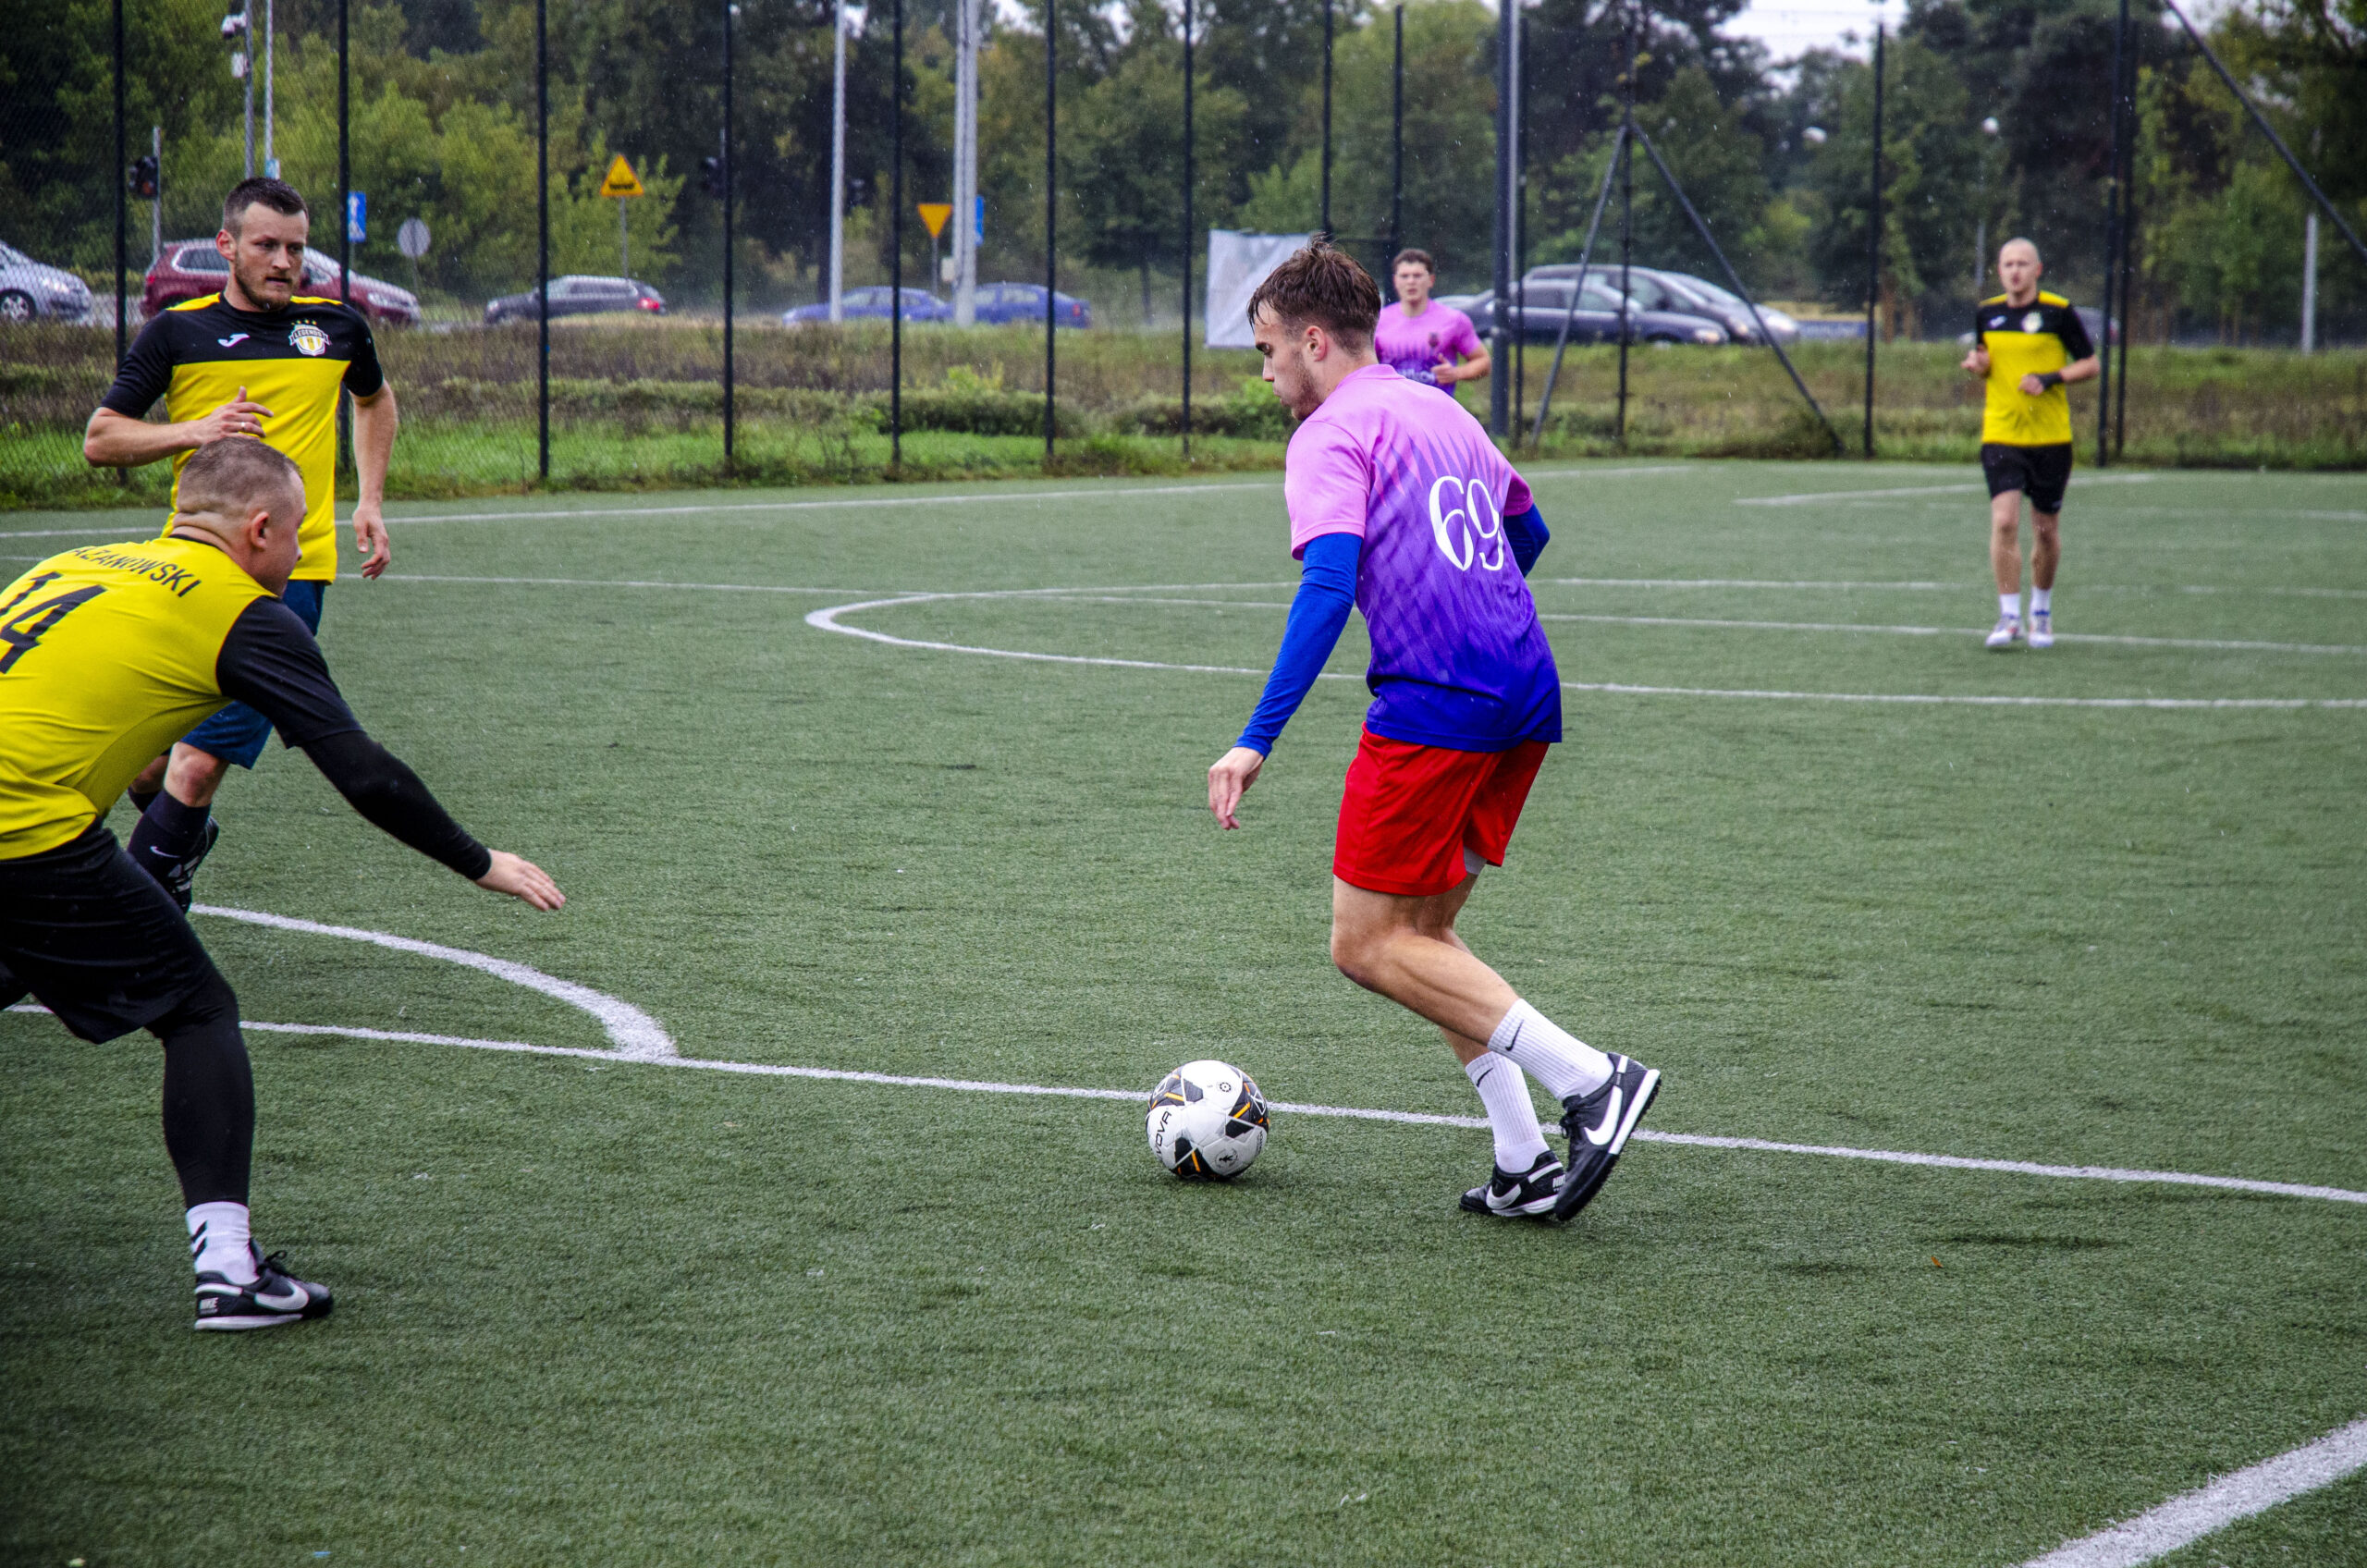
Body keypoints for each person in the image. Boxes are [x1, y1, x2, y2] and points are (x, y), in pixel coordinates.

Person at [0, 438, 561, 1331]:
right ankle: (229, 1271)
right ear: (259, 529)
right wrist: (480, 861)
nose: (302, 554)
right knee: (197, 1010)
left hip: (25, 811)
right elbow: (365, 774)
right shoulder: (242, 613)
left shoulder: (71, 564)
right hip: (22, 827)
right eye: (299, 534)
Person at [1204, 240, 1658, 1224]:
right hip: (1523, 686)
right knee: (1425, 935)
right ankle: (1523, 1157)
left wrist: (1256, 738)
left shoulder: (1327, 432)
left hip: (1438, 702)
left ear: (1312, 340)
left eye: (1267, 350)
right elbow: (1527, 530)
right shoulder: (1440, 408)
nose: (1264, 371)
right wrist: (1467, 603)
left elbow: (1328, 585)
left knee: (1365, 944)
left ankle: (1592, 1081)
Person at [83, 176, 400, 905]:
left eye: (296, 248)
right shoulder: (178, 332)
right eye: (266, 246)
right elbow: (101, 439)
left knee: (195, 767)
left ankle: (136, 926)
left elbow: (375, 400)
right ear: (226, 246)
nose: (284, 262)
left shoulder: (337, 328)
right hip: (185, 573)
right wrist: (195, 430)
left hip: (287, 578)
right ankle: (181, 843)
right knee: (142, 766)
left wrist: (370, 500)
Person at [1960, 238, 2098, 650]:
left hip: (2050, 438)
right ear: (1999, 270)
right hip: (2001, 433)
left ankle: (2041, 610)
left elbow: (2090, 364)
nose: (2015, 271)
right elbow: (1986, 361)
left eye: (2022, 264)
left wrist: (2050, 378)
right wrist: (1979, 366)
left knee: (2046, 530)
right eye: (2008, 264)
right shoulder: (1988, 313)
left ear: (2037, 270)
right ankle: (2009, 617)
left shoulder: (2058, 311)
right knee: (2004, 521)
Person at [1375, 249, 1490, 398]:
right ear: (1395, 281)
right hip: (1393, 407)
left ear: (1431, 280)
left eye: (1417, 276)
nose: (1411, 281)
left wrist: (1456, 373)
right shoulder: (1378, 321)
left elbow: (1483, 361)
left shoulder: (1453, 320)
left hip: (1437, 408)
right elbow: (1361, 364)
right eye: (1404, 276)